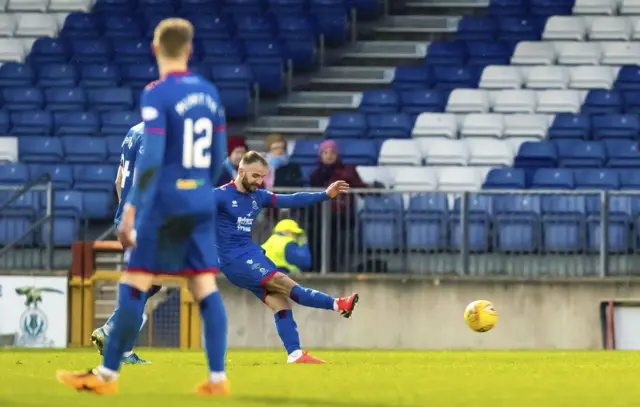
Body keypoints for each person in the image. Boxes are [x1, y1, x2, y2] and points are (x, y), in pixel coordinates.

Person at [56, 18, 230, 396]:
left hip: (164, 202)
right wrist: (197, 187)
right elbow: (219, 158)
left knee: (135, 282)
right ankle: (217, 378)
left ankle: (106, 377)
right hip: (200, 200)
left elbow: (151, 158)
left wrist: (132, 207)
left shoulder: (156, 93)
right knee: (204, 285)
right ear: (190, 49)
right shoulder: (210, 93)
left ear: (155, 49)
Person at [215, 151, 359, 364]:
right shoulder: (219, 196)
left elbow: (291, 199)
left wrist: (325, 195)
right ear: (241, 171)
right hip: (234, 259)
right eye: (255, 176)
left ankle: (295, 354)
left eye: (263, 176)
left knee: (281, 302)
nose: (259, 181)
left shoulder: (258, 196)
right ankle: (338, 304)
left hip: (250, 253)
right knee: (282, 281)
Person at [90, 122, 161, 365]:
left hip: (128, 217)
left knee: (153, 281)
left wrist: (124, 213)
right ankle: (112, 332)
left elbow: (119, 180)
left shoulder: (133, 132)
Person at [309, 140, 371, 271]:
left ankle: (337, 269)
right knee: (321, 243)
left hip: (343, 215)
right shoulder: (316, 174)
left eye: (332, 152)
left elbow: (360, 188)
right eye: (325, 153)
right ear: (320, 155)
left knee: (340, 246)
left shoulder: (348, 170)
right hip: (321, 216)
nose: (329, 156)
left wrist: (371, 188)